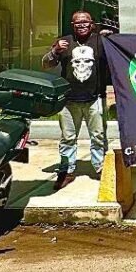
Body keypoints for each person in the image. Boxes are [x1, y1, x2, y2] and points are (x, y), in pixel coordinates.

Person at [42, 11, 111, 191]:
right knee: (68, 138)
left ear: (92, 24)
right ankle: (67, 171)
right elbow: (46, 64)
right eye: (77, 23)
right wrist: (54, 51)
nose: (82, 25)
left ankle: (101, 169)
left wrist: (112, 37)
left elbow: (117, 57)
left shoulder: (100, 41)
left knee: (99, 136)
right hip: (69, 100)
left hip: (95, 97)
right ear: (72, 25)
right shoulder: (64, 42)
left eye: (85, 22)